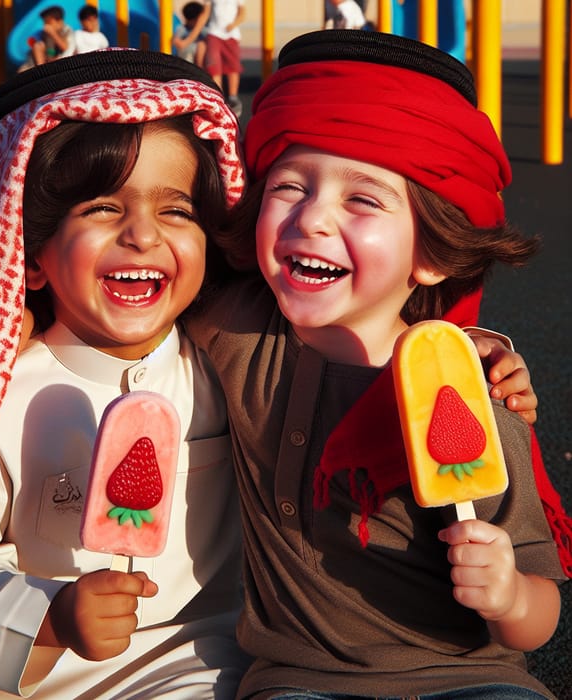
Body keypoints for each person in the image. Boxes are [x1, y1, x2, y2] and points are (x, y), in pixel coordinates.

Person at [185, 30, 572, 699]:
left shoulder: (470, 395)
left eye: (362, 199)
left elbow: (538, 623)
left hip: (469, 679)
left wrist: (508, 596)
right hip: (298, 681)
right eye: (289, 186)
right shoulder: (234, 329)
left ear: (436, 255)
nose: (313, 219)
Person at [0, 49, 249, 698]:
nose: (141, 235)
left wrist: (480, 348)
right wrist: (50, 616)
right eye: (103, 208)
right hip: (21, 659)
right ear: (34, 257)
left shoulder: (232, 370)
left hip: (188, 653)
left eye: (176, 211)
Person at [195, 0, 246, 118]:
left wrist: (234, 24)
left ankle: (233, 96)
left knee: (233, 65)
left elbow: (242, 12)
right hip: (214, 33)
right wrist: (192, 35)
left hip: (231, 34)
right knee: (214, 64)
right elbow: (205, 13)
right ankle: (219, 95)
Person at [21, 5, 75, 71]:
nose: (46, 25)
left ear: (59, 21)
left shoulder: (67, 30)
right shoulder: (43, 33)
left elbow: (66, 48)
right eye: (44, 22)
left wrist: (53, 34)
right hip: (44, 62)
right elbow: (30, 42)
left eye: (48, 22)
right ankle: (40, 71)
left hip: (61, 63)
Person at [173, 1, 208, 67]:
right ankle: (199, 71)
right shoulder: (182, 29)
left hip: (199, 58)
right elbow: (176, 42)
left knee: (202, 45)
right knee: (201, 45)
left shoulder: (204, 30)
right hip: (187, 58)